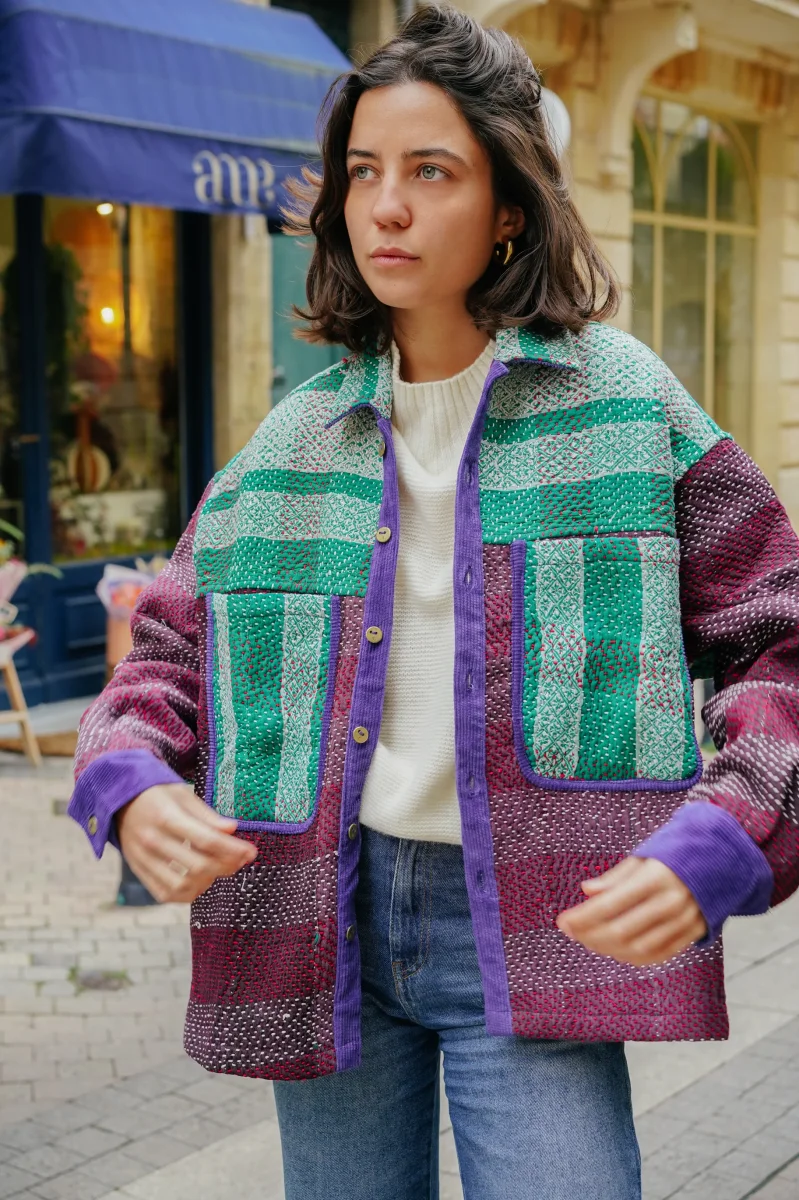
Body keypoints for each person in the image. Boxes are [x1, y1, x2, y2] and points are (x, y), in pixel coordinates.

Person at [69, 7, 799, 1198]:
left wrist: (726, 834)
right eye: (363, 172)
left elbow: (781, 636)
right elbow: (161, 658)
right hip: (319, 920)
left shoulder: (626, 405)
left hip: (544, 917)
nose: (386, 208)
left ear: (509, 205)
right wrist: (128, 780)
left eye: (430, 171)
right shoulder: (289, 443)